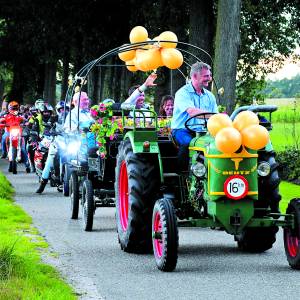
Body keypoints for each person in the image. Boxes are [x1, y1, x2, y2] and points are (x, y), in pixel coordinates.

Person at [171, 62, 218, 172]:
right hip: (182, 130)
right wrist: (214, 116)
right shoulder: (183, 93)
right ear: (194, 76)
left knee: (218, 144)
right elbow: (192, 112)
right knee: (189, 143)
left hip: (203, 131)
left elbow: (215, 116)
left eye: (210, 75)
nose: (209, 78)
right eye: (206, 76)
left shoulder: (210, 96)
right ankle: (182, 174)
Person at [0, 101, 30, 173]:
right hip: (8, 132)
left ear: (18, 108)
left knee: (23, 148)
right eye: (13, 108)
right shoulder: (6, 116)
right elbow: (1, 121)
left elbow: (25, 120)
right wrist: (2, 124)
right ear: (9, 108)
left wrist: (27, 123)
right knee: (4, 138)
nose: (14, 110)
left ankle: (27, 164)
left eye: (16, 108)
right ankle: (4, 153)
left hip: (18, 133)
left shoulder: (19, 116)